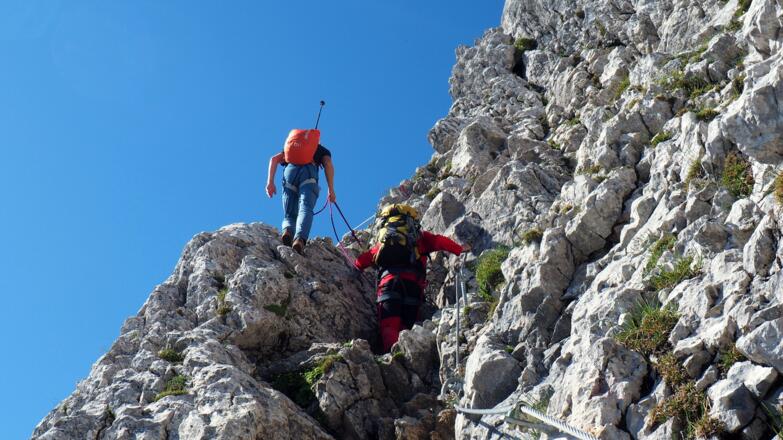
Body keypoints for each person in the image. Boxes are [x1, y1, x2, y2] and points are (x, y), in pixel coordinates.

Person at [353, 204, 468, 352]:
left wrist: (356, 267)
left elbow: (363, 260)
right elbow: (440, 241)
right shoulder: (419, 237)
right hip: (413, 286)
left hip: (388, 285)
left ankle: (392, 356)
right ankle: (407, 357)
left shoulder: (382, 242)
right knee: (408, 328)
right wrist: (460, 249)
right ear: (411, 221)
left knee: (389, 325)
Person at [266, 143, 336, 254]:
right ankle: (299, 239)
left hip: (290, 171)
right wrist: (331, 189)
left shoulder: (292, 146)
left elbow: (274, 159)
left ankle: (288, 232)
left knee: (289, 213)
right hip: (309, 172)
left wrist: (270, 183)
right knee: (305, 208)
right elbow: (327, 163)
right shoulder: (321, 149)